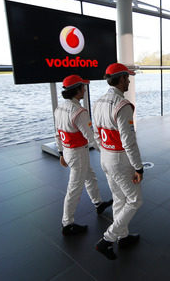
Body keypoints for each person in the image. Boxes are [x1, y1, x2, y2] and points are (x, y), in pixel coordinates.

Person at [92, 63, 144, 260]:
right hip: (120, 160)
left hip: (105, 157)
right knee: (135, 200)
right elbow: (129, 141)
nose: (129, 80)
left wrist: (105, 151)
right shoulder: (122, 106)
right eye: (127, 77)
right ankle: (108, 239)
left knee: (119, 198)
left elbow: (96, 135)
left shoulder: (97, 103)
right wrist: (138, 167)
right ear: (120, 79)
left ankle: (123, 236)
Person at [54, 75, 113, 236]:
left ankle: (98, 203)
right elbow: (91, 137)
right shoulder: (79, 112)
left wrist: (60, 153)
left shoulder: (59, 109)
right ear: (77, 90)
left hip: (68, 151)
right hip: (78, 153)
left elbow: (58, 134)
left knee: (90, 177)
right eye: (82, 87)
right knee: (74, 188)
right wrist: (107, 151)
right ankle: (67, 224)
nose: (85, 90)